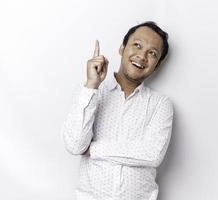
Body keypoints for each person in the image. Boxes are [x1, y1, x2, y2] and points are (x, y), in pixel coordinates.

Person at [61, 21, 174, 200]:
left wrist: (94, 150)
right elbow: (75, 145)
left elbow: (152, 154)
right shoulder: (90, 92)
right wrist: (92, 85)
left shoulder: (161, 104)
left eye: (152, 53)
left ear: (157, 65)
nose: (142, 56)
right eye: (137, 45)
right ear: (122, 48)